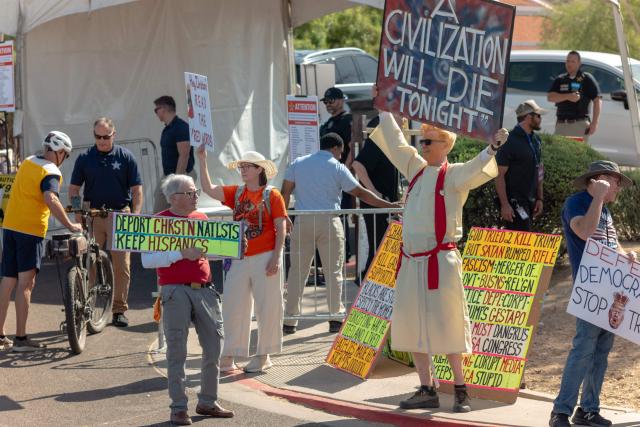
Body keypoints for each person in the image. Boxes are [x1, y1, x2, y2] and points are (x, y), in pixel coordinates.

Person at [370, 111, 508, 412]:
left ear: (446, 145)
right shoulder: (415, 168)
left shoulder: (455, 174)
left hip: (440, 261)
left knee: (449, 322)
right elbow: (395, 143)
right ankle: (425, 387)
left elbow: (476, 168)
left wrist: (493, 148)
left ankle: (460, 389)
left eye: (429, 141)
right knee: (411, 323)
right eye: (422, 140)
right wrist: (385, 109)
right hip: (410, 261)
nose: (423, 145)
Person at [281, 132, 400, 335]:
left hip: (302, 220)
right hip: (330, 221)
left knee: (297, 272)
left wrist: (284, 216)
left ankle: (290, 320)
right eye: (341, 152)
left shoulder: (298, 163)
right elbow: (360, 192)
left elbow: (285, 191)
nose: (340, 156)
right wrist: (387, 205)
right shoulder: (337, 167)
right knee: (333, 272)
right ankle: (335, 317)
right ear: (336, 148)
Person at [141, 174, 234, 425]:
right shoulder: (159, 222)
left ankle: (207, 401)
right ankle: (178, 407)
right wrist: (180, 253)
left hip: (205, 289)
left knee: (214, 346)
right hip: (175, 291)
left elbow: (208, 252)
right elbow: (148, 260)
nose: (196, 196)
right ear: (173, 198)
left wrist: (233, 248)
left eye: (195, 192)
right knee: (177, 351)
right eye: (190, 193)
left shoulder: (201, 218)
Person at [549, 160, 634, 427]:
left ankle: (587, 410)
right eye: (615, 181)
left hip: (608, 290)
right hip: (589, 289)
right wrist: (597, 197)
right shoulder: (577, 203)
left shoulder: (604, 211)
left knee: (600, 351)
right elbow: (585, 232)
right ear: (599, 180)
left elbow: (610, 244)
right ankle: (560, 412)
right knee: (583, 349)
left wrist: (625, 255)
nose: (618, 187)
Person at [197, 146, 287, 373]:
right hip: (239, 257)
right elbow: (208, 188)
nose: (243, 170)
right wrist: (202, 160)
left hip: (265, 254)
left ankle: (263, 354)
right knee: (233, 305)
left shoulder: (272, 194)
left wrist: (276, 257)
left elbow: (281, 226)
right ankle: (230, 353)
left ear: (259, 170)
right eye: (241, 166)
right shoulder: (237, 193)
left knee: (268, 306)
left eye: (247, 166)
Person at [0, 131, 82, 352]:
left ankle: (0, 336)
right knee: (26, 284)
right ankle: (21, 339)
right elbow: (50, 198)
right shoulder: (51, 171)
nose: (64, 158)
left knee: (8, 281)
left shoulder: (28, 161)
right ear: (60, 152)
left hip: (10, 226)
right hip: (29, 230)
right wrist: (70, 224)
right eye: (65, 154)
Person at [69, 117, 143, 327]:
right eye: (97, 136)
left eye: (105, 137)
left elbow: (137, 190)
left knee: (122, 266)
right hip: (93, 215)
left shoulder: (126, 157)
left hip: (120, 215)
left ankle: (119, 310)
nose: (101, 141)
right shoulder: (84, 158)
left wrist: (135, 217)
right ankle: (88, 307)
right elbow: (74, 189)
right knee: (89, 263)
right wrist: (78, 214)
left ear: (114, 135)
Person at [352, 115, 399, 275]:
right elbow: (358, 165)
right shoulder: (378, 143)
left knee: (383, 249)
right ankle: (366, 286)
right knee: (379, 249)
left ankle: (371, 287)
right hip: (377, 205)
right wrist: (375, 193)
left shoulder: (390, 145)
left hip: (385, 205)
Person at [495, 100, 545, 231]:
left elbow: (539, 169)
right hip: (514, 202)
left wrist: (540, 198)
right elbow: (499, 175)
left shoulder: (536, 140)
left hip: (531, 201)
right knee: (522, 241)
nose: (540, 119)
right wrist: (505, 204)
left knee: (523, 242)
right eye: (538, 116)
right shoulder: (509, 140)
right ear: (529, 117)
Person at [320, 87, 355, 260]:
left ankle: (343, 253)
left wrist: (344, 171)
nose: (328, 104)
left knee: (339, 216)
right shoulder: (326, 124)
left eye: (331, 100)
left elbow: (352, 146)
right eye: (325, 101)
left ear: (341, 100)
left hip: (338, 176)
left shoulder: (347, 120)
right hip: (324, 177)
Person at [153, 95, 196, 213]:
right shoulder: (168, 128)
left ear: (164, 108)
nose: (156, 113)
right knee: (159, 201)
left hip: (182, 175)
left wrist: (177, 182)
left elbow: (184, 155)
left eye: (156, 109)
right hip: (170, 175)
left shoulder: (181, 127)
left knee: (182, 210)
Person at [548, 51, 602, 143]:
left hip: (578, 124)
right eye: (567, 61)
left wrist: (594, 123)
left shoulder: (586, 78)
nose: (569, 64)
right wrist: (568, 96)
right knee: (559, 154)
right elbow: (550, 97)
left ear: (579, 63)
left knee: (577, 155)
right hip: (561, 125)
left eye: (573, 61)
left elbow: (597, 100)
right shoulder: (560, 79)